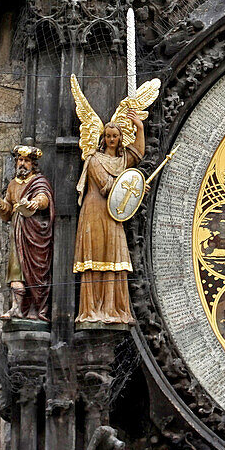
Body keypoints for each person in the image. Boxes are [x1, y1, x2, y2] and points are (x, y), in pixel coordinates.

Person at [73, 109, 145, 323]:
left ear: (120, 138)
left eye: (115, 136)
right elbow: (107, 186)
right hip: (95, 211)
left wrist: (139, 127)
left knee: (115, 257)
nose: (111, 139)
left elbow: (139, 153)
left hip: (113, 214)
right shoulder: (95, 159)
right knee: (95, 257)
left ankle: (113, 309)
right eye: (108, 136)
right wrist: (134, 187)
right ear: (102, 138)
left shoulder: (122, 161)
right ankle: (92, 310)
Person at [0, 146, 54, 321]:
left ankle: (37, 308)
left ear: (33, 164)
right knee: (16, 270)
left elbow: (44, 197)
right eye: (20, 160)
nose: (22, 164)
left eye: (26, 161)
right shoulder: (13, 184)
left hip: (35, 234)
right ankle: (16, 308)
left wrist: (36, 202)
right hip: (17, 234)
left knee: (36, 271)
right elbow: (7, 212)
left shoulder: (39, 181)